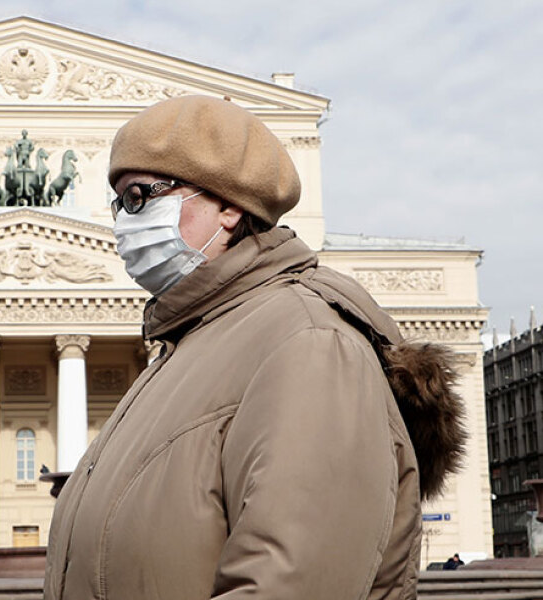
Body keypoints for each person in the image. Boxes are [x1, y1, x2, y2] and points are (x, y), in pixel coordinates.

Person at [44, 95, 467, 599]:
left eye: (140, 197)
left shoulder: (309, 343)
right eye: (119, 204)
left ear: (227, 205)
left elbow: (290, 578)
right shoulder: (190, 344)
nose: (122, 224)